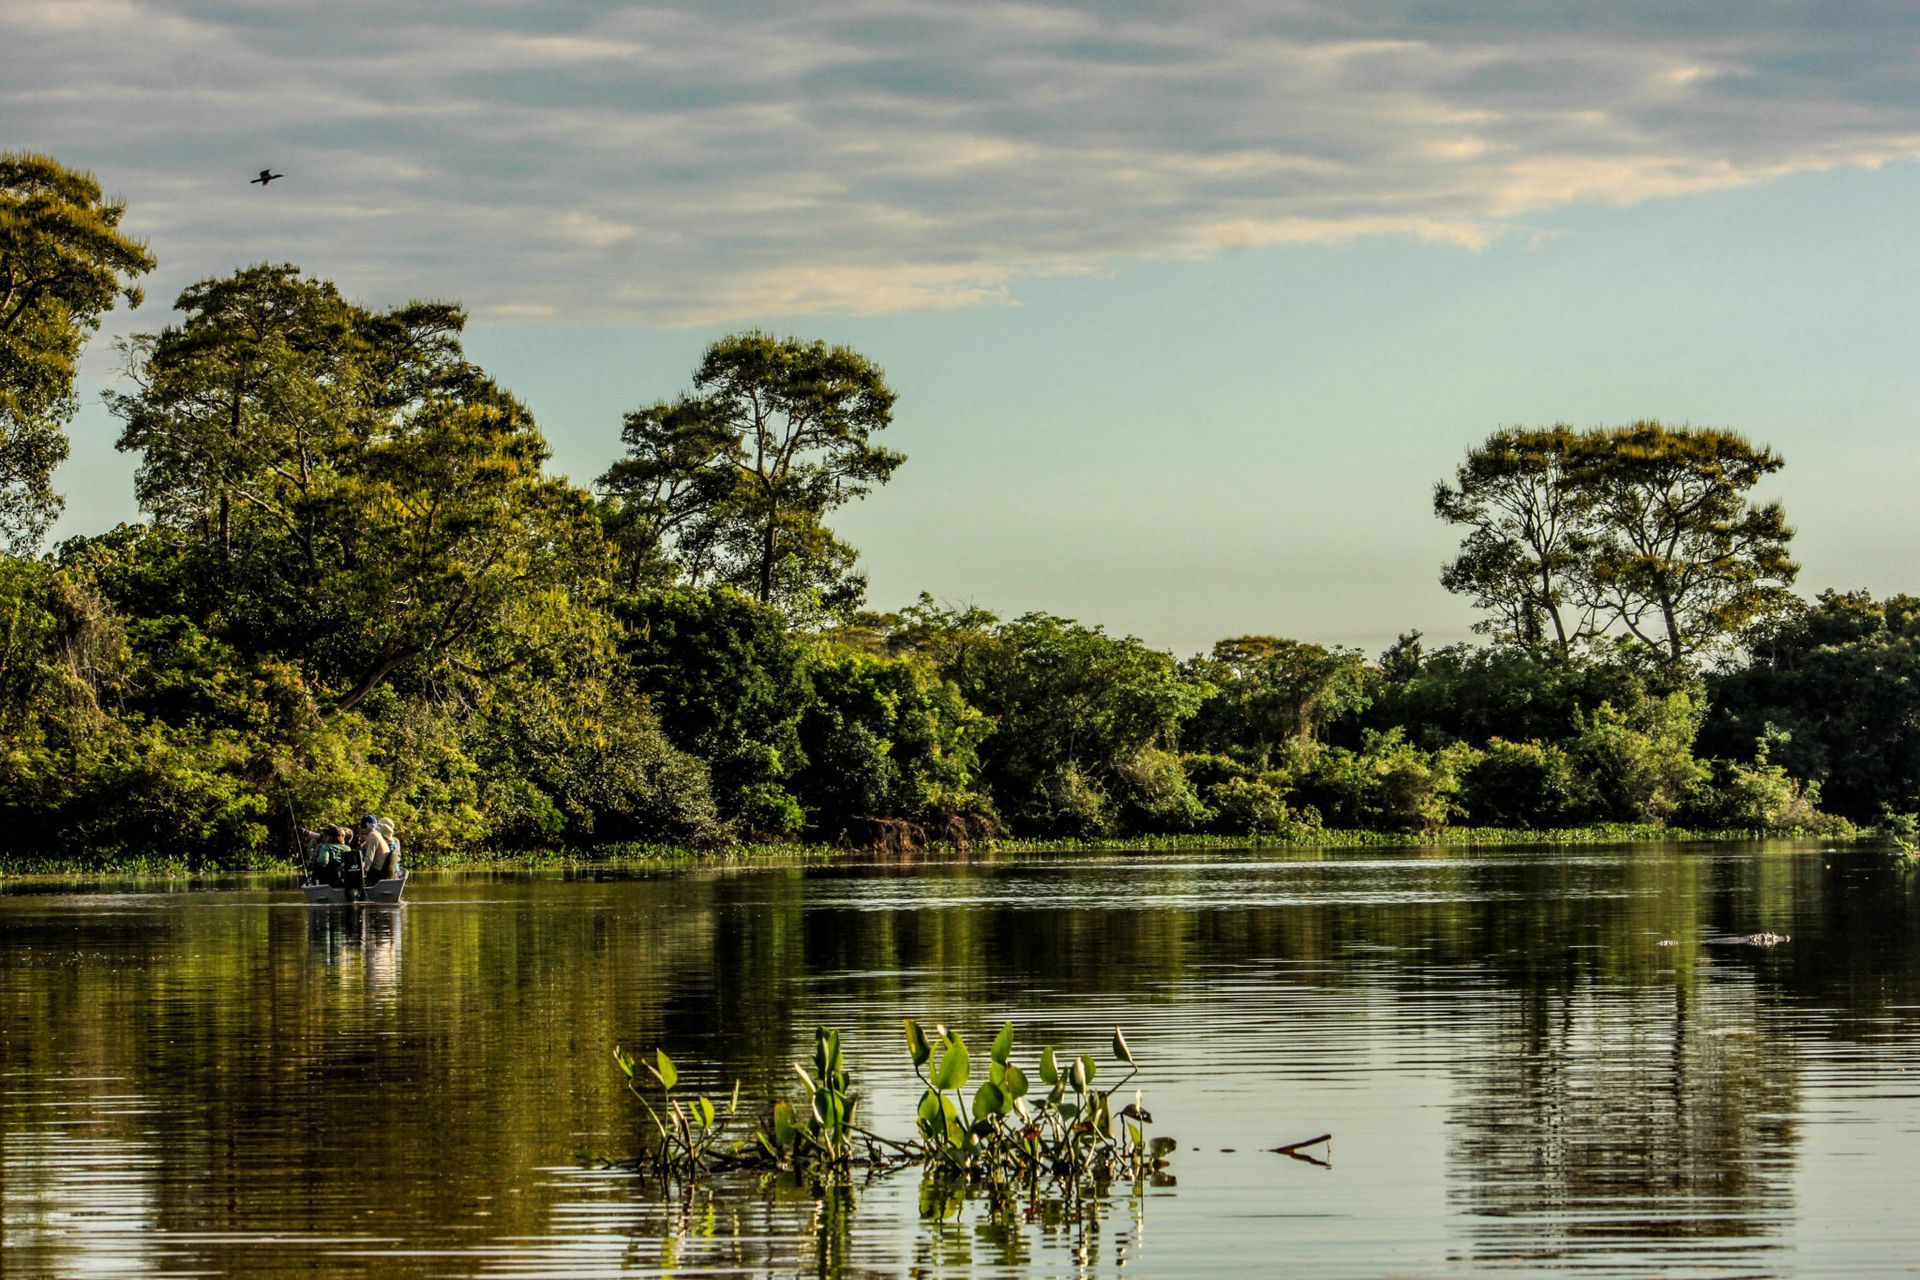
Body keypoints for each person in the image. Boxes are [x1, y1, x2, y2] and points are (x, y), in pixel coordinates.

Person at [359, 815, 397, 882]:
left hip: (378, 871)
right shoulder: (377, 834)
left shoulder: (372, 835)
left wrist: (363, 872)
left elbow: (369, 858)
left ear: (367, 825)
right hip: (382, 868)